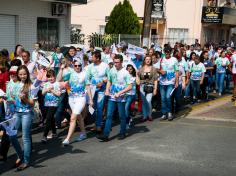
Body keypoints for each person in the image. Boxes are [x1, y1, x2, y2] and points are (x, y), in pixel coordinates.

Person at [97, 54, 132, 141]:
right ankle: (105, 135)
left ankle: (122, 132)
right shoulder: (112, 70)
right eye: (114, 62)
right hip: (112, 97)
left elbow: (130, 86)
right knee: (109, 115)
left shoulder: (125, 73)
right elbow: (109, 80)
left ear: (121, 62)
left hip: (121, 98)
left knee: (121, 116)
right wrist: (107, 90)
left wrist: (120, 92)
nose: (115, 64)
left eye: (117, 62)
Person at [9, 65, 37, 171]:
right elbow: (13, 99)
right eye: (20, 74)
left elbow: (32, 104)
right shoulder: (15, 85)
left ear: (27, 74)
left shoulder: (31, 86)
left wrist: (24, 98)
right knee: (12, 136)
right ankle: (20, 155)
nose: (22, 76)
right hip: (16, 112)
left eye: (24, 74)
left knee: (25, 137)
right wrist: (9, 99)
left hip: (27, 114)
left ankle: (26, 161)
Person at [61, 60, 93, 145]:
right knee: (78, 117)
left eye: (79, 65)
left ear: (81, 66)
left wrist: (90, 99)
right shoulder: (70, 73)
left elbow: (88, 87)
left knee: (73, 118)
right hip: (71, 98)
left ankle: (68, 139)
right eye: (76, 65)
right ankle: (84, 133)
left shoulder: (85, 74)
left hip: (81, 98)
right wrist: (61, 69)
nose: (77, 67)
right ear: (73, 66)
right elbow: (60, 79)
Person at [86, 51, 109, 134]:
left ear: (98, 58)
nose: (91, 58)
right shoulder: (90, 67)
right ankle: (96, 124)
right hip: (92, 90)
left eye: (93, 57)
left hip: (101, 90)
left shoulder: (105, 65)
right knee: (93, 108)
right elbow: (87, 78)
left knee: (99, 108)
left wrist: (103, 82)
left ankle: (98, 125)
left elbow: (109, 77)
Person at [41, 70, 61, 143]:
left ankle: (44, 135)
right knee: (51, 118)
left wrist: (52, 91)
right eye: (49, 77)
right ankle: (54, 132)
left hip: (54, 104)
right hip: (47, 104)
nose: (50, 78)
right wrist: (46, 90)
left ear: (55, 77)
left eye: (52, 77)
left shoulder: (57, 84)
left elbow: (59, 94)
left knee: (48, 119)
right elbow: (42, 93)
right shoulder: (46, 84)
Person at [159, 48, 179, 121]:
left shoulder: (174, 59)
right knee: (163, 98)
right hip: (162, 82)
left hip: (171, 82)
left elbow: (177, 71)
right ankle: (164, 114)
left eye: (168, 52)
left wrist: (176, 82)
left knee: (168, 97)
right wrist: (160, 71)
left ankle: (169, 112)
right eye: (166, 52)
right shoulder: (161, 59)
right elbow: (157, 69)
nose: (167, 53)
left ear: (171, 52)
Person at [136, 55, 158, 121]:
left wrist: (155, 89)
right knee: (143, 102)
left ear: (151, 60)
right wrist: (137, 74)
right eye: (146, 59)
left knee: (148, 101)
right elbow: (138, 79)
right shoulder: (141, 68)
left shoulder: (153, 68)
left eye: (149, 59)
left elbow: (156, 80)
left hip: (150, 86)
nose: (148, 60)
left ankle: (149, 115)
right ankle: (144, 116)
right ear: (144, 60)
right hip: (142, 86)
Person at [125, 64, 136, 128]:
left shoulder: (134, 76)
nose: (129, 70)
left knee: (127, 108)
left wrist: (137, 75)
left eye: (130, 69)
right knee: (127, 109)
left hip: (131, 94)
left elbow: (138, 83)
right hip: (125, 94)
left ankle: (126, 122)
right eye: (128, 69)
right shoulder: (124, 75)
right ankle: (128, 119)